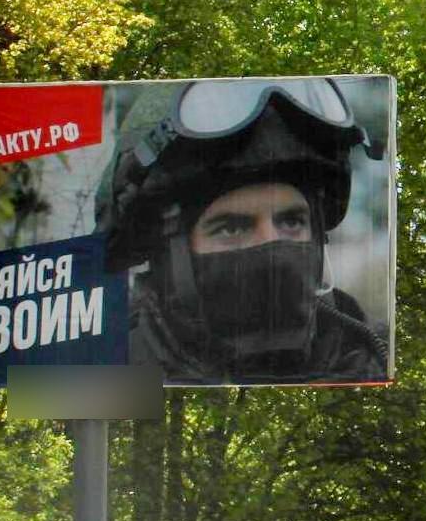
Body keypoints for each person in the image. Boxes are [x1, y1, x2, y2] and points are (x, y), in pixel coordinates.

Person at [97, 78, 389, 383]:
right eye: (232, 227)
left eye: (291, 222)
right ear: (170, 253)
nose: (272, 244)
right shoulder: (104, 377)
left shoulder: (372, 358)